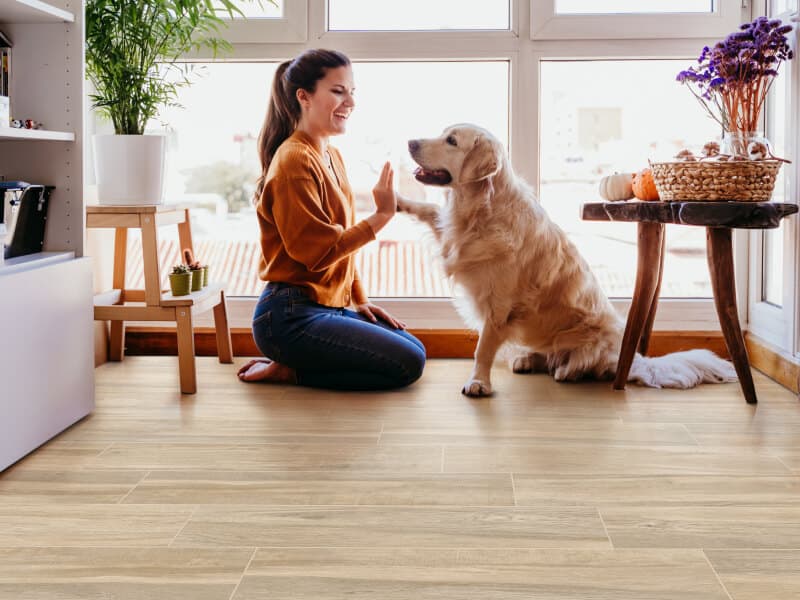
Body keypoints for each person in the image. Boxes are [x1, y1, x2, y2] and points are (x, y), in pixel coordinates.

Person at [237, 49, 426, 390]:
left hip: (326, 305)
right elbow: (318, 253)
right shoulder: (294, 161)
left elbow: (341, 248)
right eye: (338, 91)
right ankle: (290, 371)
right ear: (304, 97)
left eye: (352, 92)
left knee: (414, 348)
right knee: (407, 363)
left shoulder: (330, 154)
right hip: (288, 315)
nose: (350, 102)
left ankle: (296, 363)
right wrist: (382, 215)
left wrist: (360, 298)